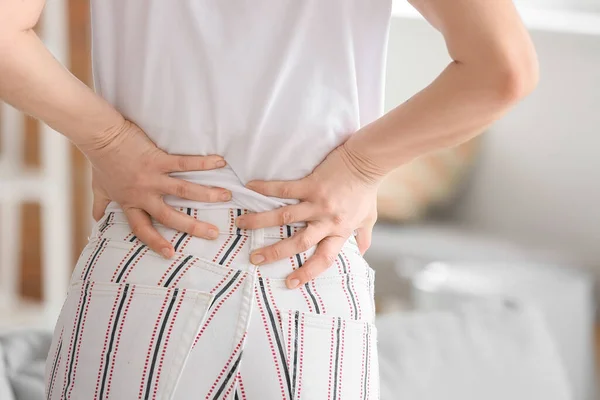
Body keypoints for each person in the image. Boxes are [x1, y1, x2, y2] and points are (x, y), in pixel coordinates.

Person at [0, 0, 538, 398]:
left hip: (154, 246)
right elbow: (503, 67)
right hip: (309, 263)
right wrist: (360, 166)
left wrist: (109, 141)